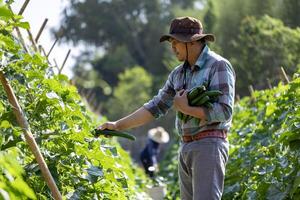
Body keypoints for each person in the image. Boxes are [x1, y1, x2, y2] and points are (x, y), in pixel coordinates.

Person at [97, 16, 235, 200]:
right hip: (186, 145)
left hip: (209, 144)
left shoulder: (218, 66)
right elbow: (155, 106)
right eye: (171, 42)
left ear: (192, 42)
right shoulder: (178, 74)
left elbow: (224, 111)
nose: (172, 48)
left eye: (176, 42)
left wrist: (186, 108)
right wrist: (117, 125)